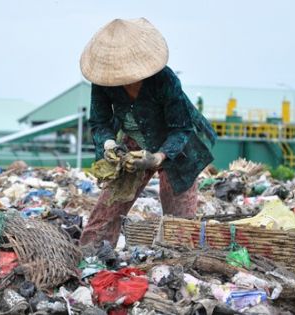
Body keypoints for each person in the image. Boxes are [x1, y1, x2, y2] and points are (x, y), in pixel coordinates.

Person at [79, 18, 217, 248]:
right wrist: (109, 145)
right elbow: (99, 122)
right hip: (132, 146)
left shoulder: (164, 79)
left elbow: (181, 128)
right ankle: (90, 261)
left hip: (177, 150)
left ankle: (176, 266)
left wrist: (156, 158)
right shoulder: (104, 81)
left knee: (178, 224)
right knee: (105, 213)